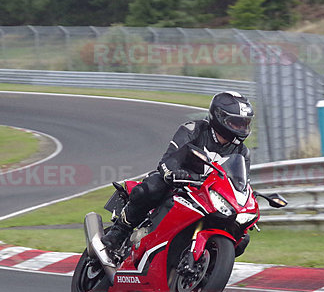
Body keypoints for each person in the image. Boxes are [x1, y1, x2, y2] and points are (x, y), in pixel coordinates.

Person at [101, 91, 254, 255]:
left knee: (242, 238)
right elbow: (169, 158)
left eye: (245, 123)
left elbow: (240, 182)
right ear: (219, 117)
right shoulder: (194, 130)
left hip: (208, 196)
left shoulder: (242, 152)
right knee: (152, 187)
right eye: (237, 123)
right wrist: (172, 172)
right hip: (179, 183)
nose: (241, 128)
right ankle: (120, 230)